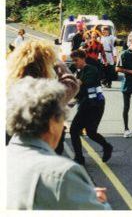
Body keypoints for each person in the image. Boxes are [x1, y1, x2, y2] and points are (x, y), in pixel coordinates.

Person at [6, 77, 111, 210]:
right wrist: (98, 201)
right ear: (51, 123)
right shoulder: (62, 173)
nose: (63, 127)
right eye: (62, 119)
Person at [6, 40, 80, 155]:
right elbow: (71, 83)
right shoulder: (48, 97)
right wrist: (54, 59)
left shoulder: (9, 89)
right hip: (45, 148)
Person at [69, 50, 113, 165]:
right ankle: (104, 148)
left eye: (76, 60)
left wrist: (70, 77)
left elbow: (81, 84)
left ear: (83, 59)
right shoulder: (80, 71)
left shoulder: (91, 70)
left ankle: (80, 157)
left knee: (79, 130)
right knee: (87, 132)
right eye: (72, 60)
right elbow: (80, 92)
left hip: (95, 105)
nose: (74, 63)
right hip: (86, 104)